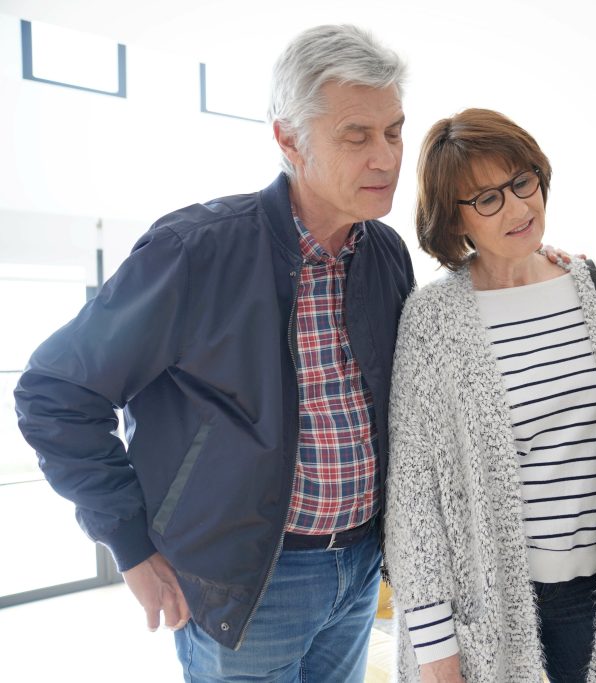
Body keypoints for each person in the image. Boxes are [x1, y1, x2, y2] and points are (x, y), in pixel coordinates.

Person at [13, 25, 415, 681]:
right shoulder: (194, 251)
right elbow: (53, 394)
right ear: (288, 138)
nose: (387, 157)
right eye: (357, 136)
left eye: (394, 132)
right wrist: (132, 547)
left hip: (361, 567)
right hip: (251, 583)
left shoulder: (387, 253)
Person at [384, 109, 596, 683]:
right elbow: (415, 498)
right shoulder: (433, 320)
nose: (517, 208)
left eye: (521, 183)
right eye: (486, 199)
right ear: (454, 222)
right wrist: (436, 654)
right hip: (500, 609)